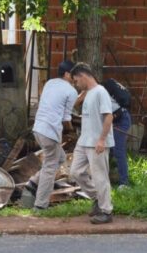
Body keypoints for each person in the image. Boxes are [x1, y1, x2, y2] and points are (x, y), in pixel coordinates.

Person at [26, 60, 78, 211]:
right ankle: (40, 205)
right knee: (50, 167)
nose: (76, 77)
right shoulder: (71, 91)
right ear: (68, 74)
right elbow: (66, 118)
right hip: (50, 132)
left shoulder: (50, 83)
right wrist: (72, 132)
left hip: (38, 129)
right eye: (74, 74)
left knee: (60, 158)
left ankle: (32, 183)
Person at [69, 63, 115, 224]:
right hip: (84, 141)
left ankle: (106, 210)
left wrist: (102, 140)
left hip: (97, 142)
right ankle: (97, 197)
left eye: (76, 81)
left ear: (83, 76)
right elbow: (72, 106)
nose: (76, 84)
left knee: (100, 177)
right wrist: (82, 93)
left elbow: (109, 117)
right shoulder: (88, 92)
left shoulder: (101, 92)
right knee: (75, 172)